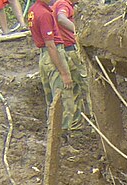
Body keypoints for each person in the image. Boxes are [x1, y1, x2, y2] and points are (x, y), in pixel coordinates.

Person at [27, 0, 74, 131]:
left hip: (44, 56)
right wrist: (64, 73)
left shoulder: (33, 10)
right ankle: (63, 137)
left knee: (51, 100)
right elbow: (50, 45)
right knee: (64, 98)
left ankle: (52, 132)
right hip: (52, 54)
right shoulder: (44, 14)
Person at [52, 0, 89, 129]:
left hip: (63, 51)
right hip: (71, 51)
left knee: (74, 89)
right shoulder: (64, 4)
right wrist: (78, 31)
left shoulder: (59, 4)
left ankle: (76, 124)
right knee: (88, 85)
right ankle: (95, 119)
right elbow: (61, 19)